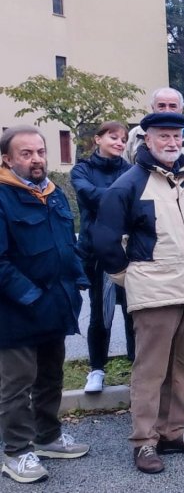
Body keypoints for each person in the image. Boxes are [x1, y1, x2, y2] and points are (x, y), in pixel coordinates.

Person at [92, 112, 184, 474]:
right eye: (163, 136)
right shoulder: (130, 185)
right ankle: (144, 442)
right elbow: (105, 239)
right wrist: (128, 278)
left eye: (177, 136)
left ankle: (173, 432)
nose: (172, 142)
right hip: (155, 293)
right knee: (150, 371)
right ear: (147, 140)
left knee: (183, 368)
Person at [0, 125, 90, 484]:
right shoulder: (4, 196)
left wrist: (79, 276)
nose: (36, 159)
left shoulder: (53, 194)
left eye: (40, 152)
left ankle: (48, 437)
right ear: (7, 159)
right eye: (26, 153)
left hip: (56, 304)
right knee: (17, 384)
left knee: (51, 377)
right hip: (15, 312)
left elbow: (68, 243)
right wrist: (31, 296)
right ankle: (17, 452)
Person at [70, 121, 135, 394]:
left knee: (135, 313)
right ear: (97, 139)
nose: (120, 142)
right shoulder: (82, 169)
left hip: (129, 252)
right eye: (113, 137)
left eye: (123, 139)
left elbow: (138, 201)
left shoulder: (131, 170)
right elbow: (89, 195)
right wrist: (120, 198)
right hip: (98, 254)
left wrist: (114, 199)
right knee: (101, 314)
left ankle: (138, 366)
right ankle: (97, 369)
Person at [121, 87, 184, 171]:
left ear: (181, 109)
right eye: (161, 106)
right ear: (153, 108)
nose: (167, 111)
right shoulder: (134, 135)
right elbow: (122, 169)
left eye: (172, 106)